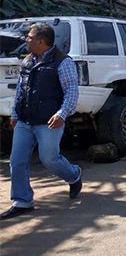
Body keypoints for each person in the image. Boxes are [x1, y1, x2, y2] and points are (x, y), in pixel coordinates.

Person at [1, 23, 82, 221]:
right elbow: (21, 90)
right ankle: (22, 201)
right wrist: (14, 114)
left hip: (49, 121)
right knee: (17, 161)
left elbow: (71, 91)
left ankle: (74, 175)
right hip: (25, 120)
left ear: (41, 41)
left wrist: (62, 114)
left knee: (49, 159)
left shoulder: (63, 62)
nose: (26, 40)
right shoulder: (28, 60)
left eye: (29, 37)